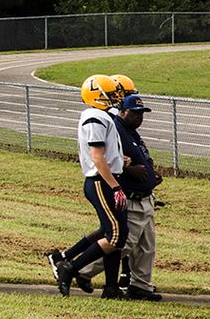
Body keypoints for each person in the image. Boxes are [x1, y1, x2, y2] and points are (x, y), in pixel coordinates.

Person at [70, 87, 164, 301]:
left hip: (145, 198)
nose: (139, 117)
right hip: (130, 197)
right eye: (135, 112)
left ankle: (140, 285)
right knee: (121, 242)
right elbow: (105, 159)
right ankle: (80, 269)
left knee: (146, 247)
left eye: (142, 113)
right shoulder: (113, 125)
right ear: (122, 112)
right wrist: (122, 177)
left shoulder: (130, 131)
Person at [50, 75, 130, 297]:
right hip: (101, 182)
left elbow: (104, 154)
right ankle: (70, 268)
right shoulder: (94, 117)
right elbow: (97, 157)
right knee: (116, 236)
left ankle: (111, 287)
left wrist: (118, 160)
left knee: (112, 234)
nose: (117, 97)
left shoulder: (101, 115)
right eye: (112, 94)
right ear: (98, 95)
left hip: (107, 178)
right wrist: (115, 187)